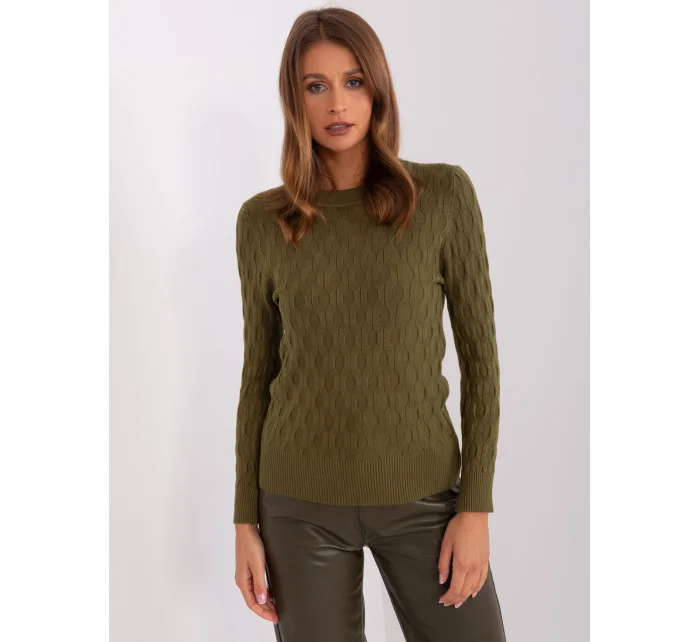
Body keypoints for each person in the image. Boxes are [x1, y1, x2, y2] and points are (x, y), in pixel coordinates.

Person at [233, 7, 506, 641]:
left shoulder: (442, 197)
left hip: (425, 500)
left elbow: (481, 361)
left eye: (354, 81)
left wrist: (475, 506)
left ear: (378, 88)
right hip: (297, 506)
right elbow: (258, 376)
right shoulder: (263, 222)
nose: (337, 103)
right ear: (294, 99)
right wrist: (245, 519)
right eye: (316, 85)